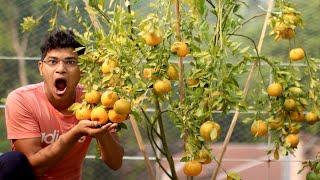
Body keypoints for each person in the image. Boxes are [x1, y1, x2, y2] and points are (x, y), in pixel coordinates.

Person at [4, 30, 124, 179]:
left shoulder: (93, 101)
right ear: (41, 68)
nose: (61, 69)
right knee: (10, 161)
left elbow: (115, 162)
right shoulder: (22, 100)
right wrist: (75, 133)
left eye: (70, 62)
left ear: (83, 70)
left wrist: (103, 132)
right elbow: (32, 165)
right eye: (53, 61)